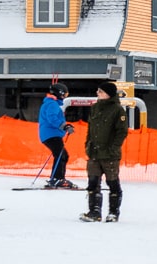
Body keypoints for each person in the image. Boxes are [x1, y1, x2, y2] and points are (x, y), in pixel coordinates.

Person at [80, 81, 129, 223]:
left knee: (112, 183)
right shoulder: (95, 108)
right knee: (93, 182)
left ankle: (113, 212)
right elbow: (90, 129)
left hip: (110, 155)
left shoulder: (118, 110)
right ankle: (94, 211)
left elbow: (122, 132)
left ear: (108, 94)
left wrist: (113, 148)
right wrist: (88, 145)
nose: (98, 93)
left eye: (101, 91)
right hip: (94, 153)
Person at [38, 83, 74, 188]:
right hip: (51, 134)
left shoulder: (51, 103)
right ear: (59, 93)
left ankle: (57, 178)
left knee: (62, 155)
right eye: (64, 94)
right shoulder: (52, 104)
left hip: (51, 134)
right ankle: (57, 178)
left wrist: (65, 126)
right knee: (61, 155)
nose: (65, 97)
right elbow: (52, 118)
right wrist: (64, 126)